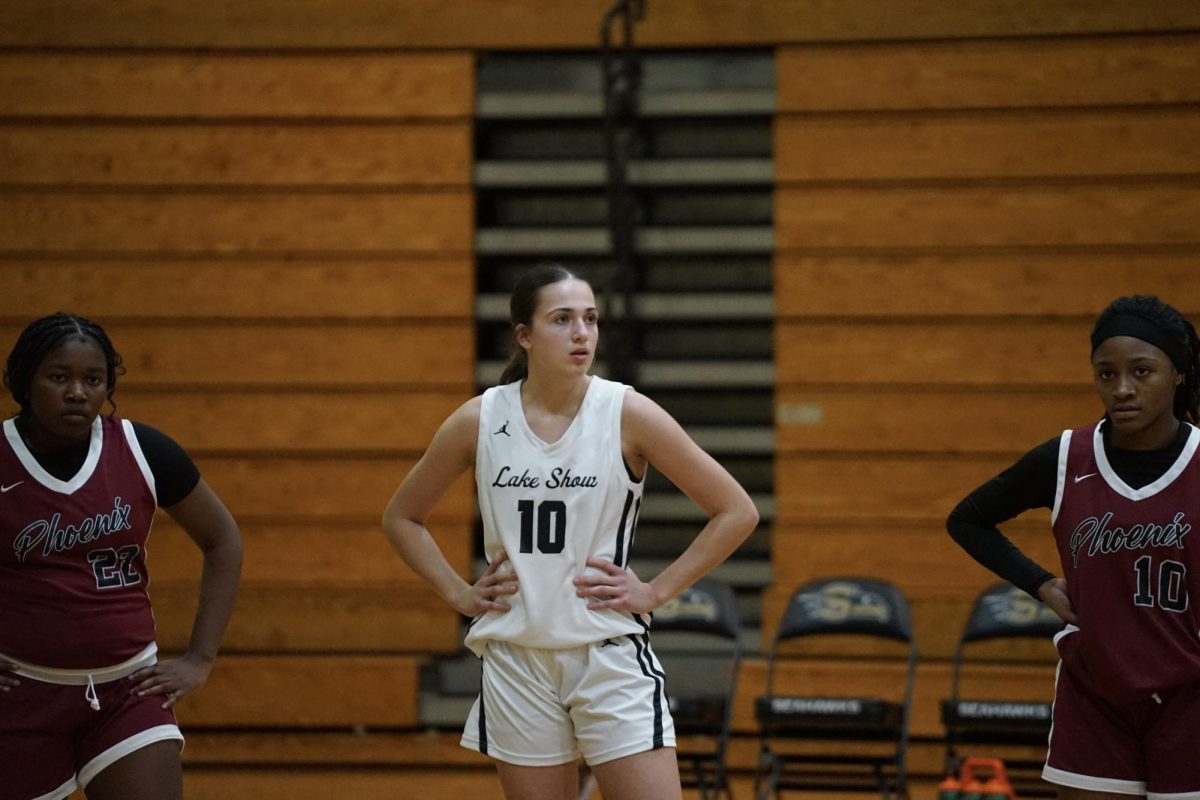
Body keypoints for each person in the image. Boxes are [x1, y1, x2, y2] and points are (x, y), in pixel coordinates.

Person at [382, 264, 759, 800]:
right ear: (525, 337)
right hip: (517, 658)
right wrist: (459, 593)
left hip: (605, 651)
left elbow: (735, 510)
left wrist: (656, 591)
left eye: (590, 318)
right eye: (562, 319)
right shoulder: (480, 419)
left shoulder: (626, 412)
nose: (582, 333)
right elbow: (402, 516)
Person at [947, 294, 1200, 800]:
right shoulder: (1066, 457)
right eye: (1106, 374)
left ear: (1178, 375)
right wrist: (1040, 582)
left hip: (1189, 698)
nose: (1122, 389)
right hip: (1096, 695)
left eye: (1141, 372)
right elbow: (968, 520)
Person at [0, 312, 243, 800]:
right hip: (20, 694)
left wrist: (200, 658)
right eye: (59, 377)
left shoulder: (142, 449)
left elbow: (224, 541)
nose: (77, 392)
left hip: (126, 691)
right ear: (26, 381)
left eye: (93, 379)